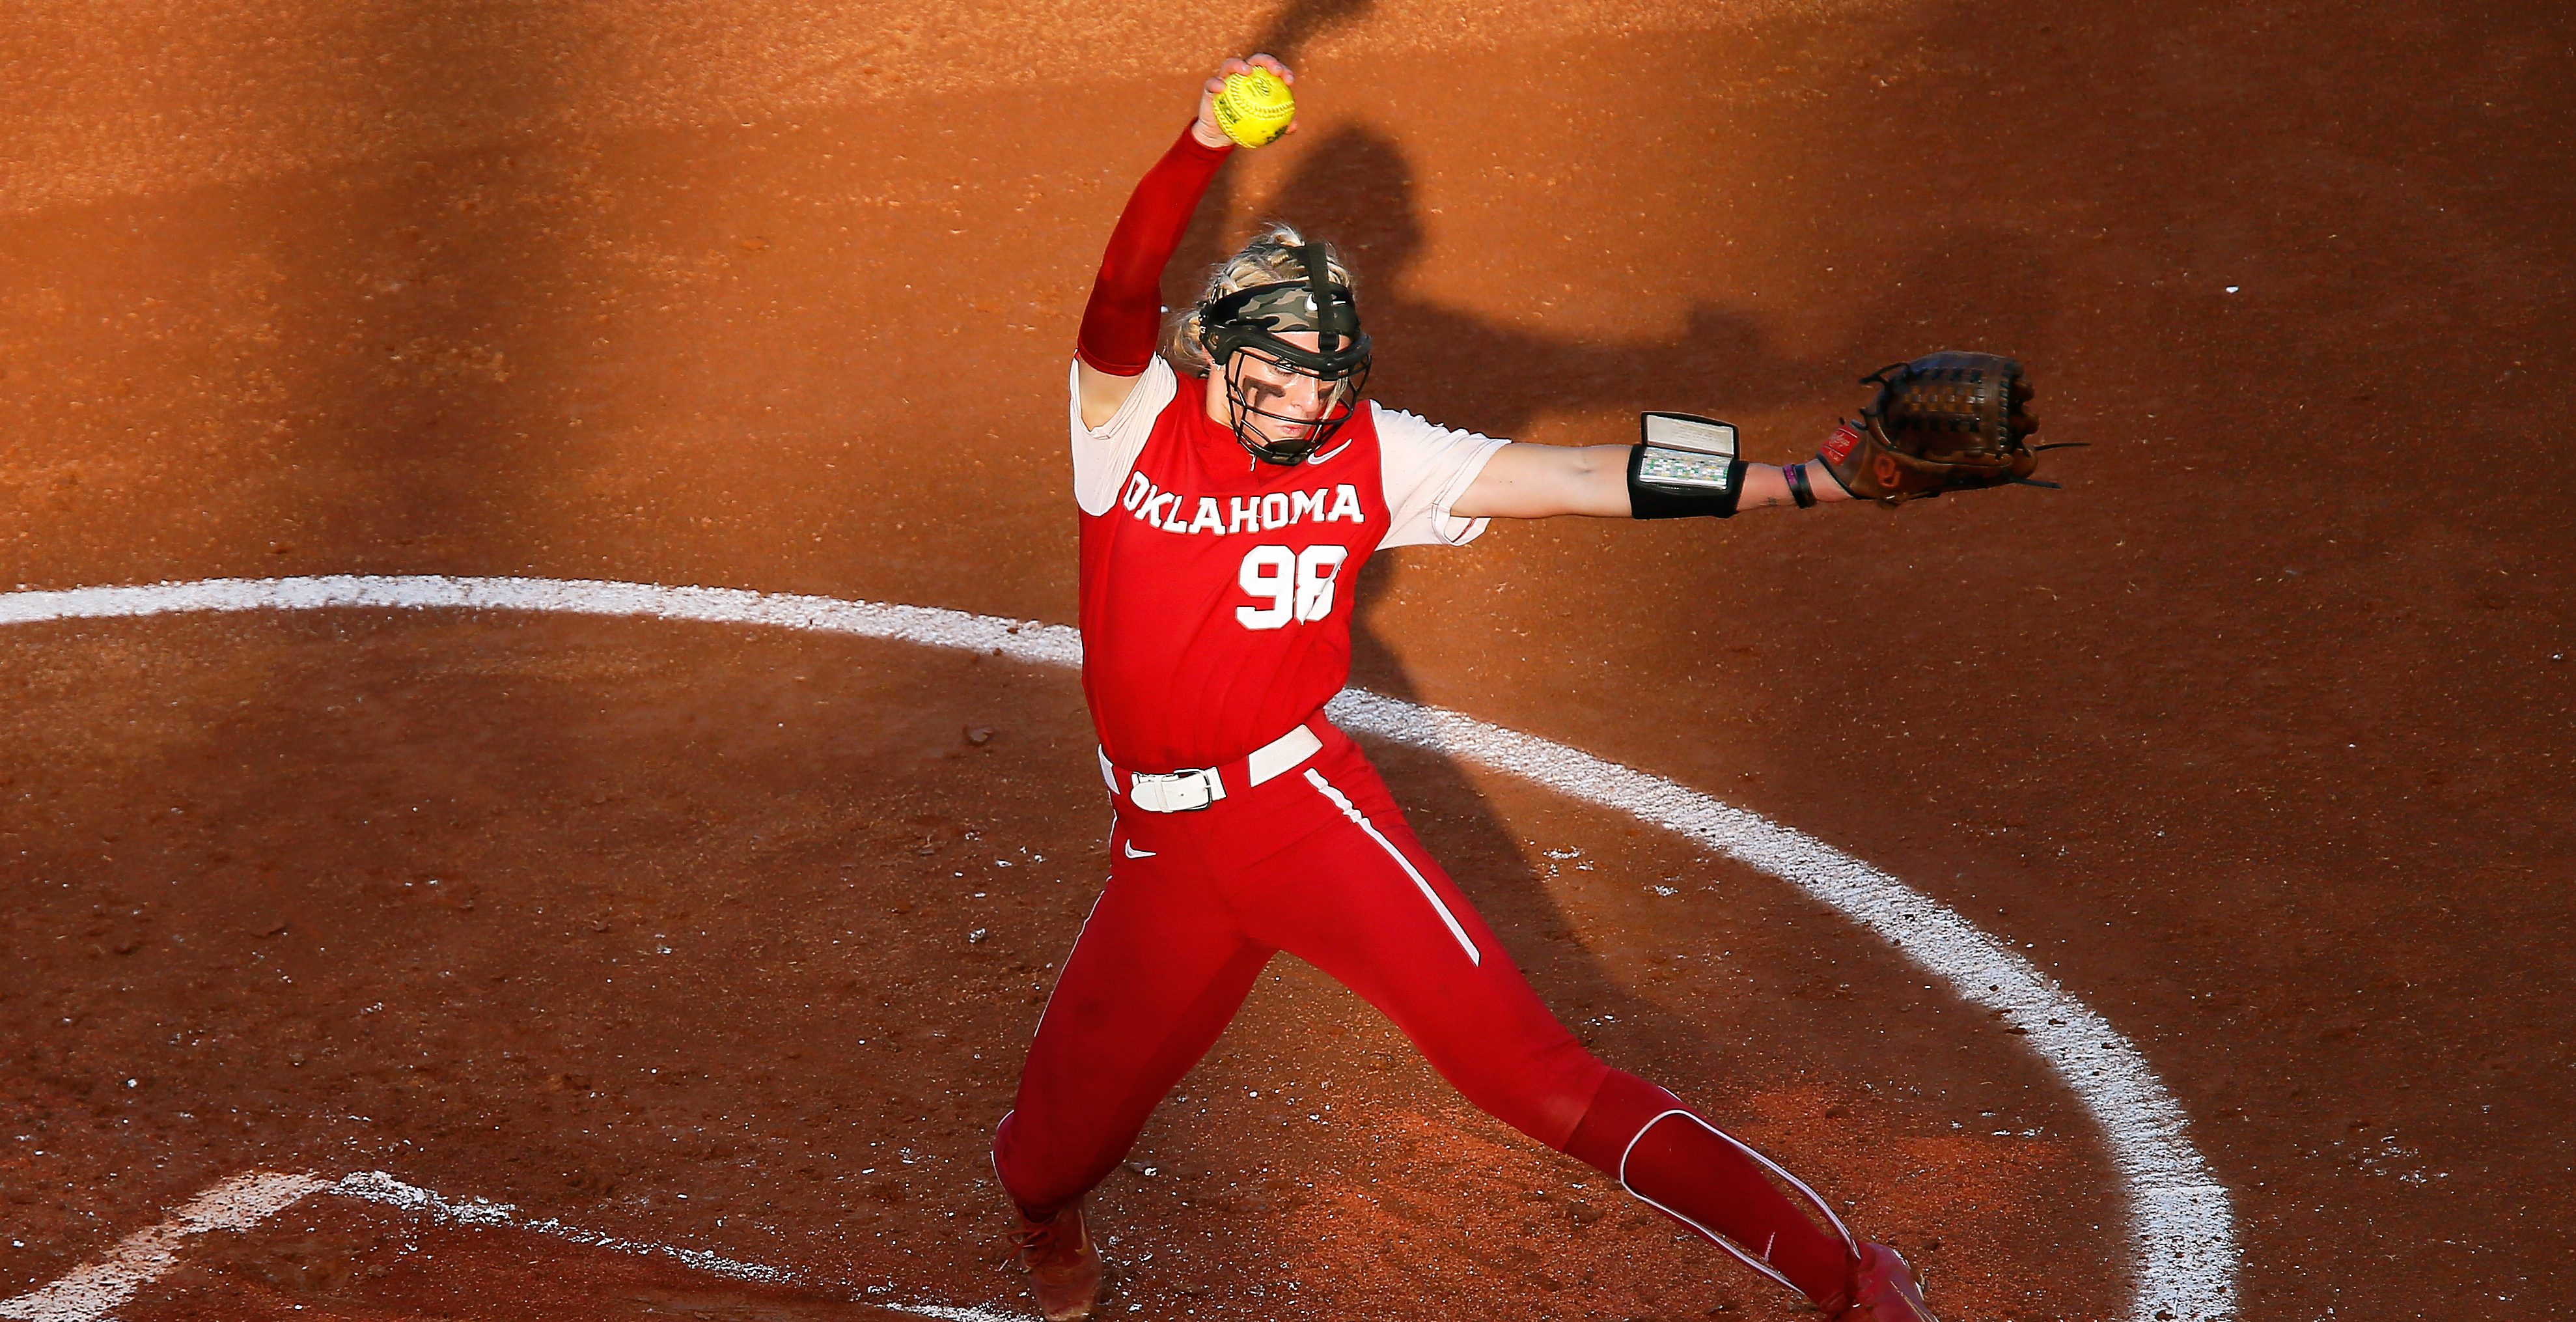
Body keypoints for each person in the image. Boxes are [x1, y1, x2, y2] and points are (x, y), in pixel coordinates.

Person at [993, 53, 1995, 1322]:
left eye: (1326, 372)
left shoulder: (1371, 452)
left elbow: (1578, 476)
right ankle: (1051, 1222)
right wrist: (1199, 139)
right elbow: (1121, 280)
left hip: (1303, 819)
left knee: (1532, 1078)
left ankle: (1850, 1283)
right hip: (1160, 845)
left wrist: (1805, 478)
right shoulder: (1126, 419)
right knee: (1045, 1157)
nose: (1308, 395)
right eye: (1284, 370)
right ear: (1222, 358)